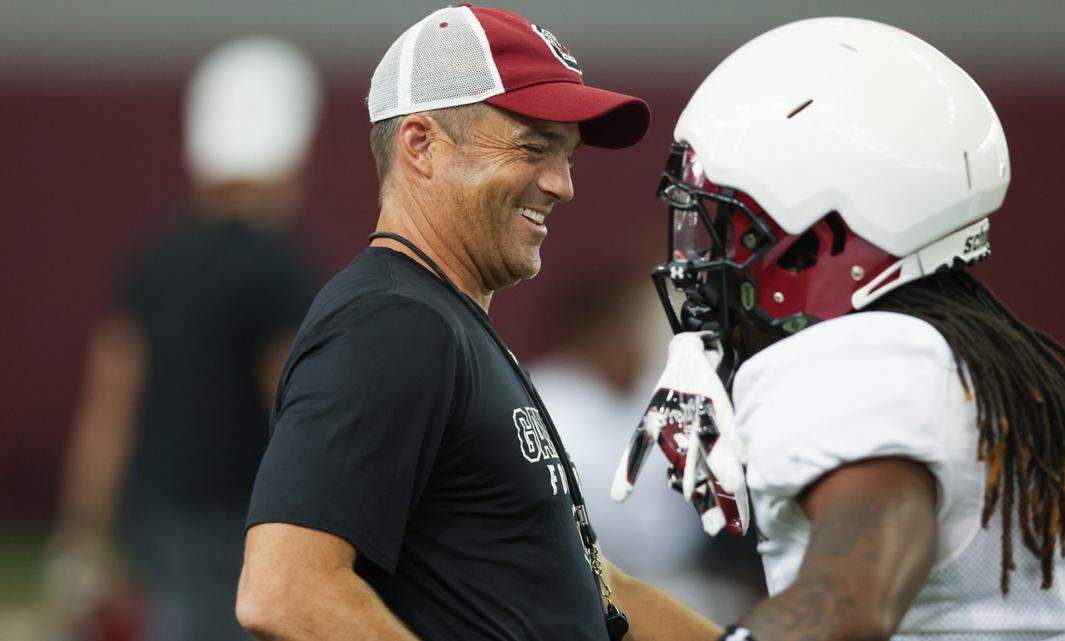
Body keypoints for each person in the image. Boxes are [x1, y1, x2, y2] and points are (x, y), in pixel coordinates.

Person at [614, 17, 1065, 641]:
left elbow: (845, 612)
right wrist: (603, 587)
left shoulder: (860, 353)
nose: (695, 261)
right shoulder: (952, 350)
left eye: (724, 227)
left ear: (818, 234)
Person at [236, 6, 724, 641]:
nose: (563, 184)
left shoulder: (445, 323)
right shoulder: (392, 322)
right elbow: (284, 590)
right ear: (421, 144)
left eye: (568, 155)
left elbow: (599, 590)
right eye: (533, 146)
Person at [47, 37, 321, 641]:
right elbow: (298, 407)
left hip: (155, 519)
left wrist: (81, 532)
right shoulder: (279, 266)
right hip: (241, 522)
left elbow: (109, 404)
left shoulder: (154, 260)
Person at [530, 274, 767, 623]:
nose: (636, 340)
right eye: (625, 329)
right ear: (594, 333)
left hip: (681, 580)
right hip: (581, 588)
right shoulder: (548, 400)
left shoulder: (671, 392)